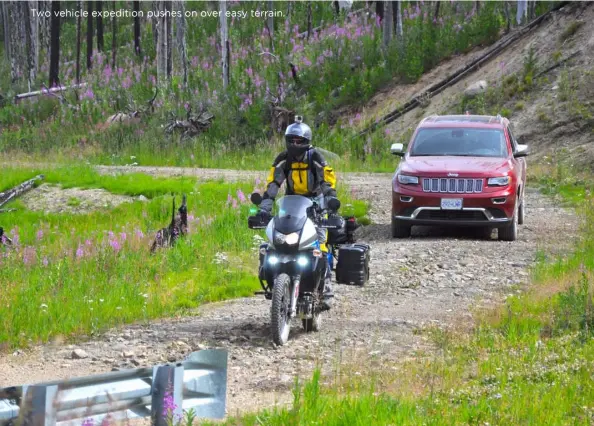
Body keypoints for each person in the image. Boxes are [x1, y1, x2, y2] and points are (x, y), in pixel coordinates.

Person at [257, 116, 339, 310]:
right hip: (293, 203)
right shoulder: (283, 159)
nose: (295, 144)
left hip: (317, 203)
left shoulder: (316, 157)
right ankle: (276, 275)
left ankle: (326, 285)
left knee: (321, 242)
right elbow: (273, 184)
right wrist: (265, 207)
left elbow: (327, 182)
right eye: (291, 140)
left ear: (306, 141)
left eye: (299, 140)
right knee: (278, 240)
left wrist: (331, 203)